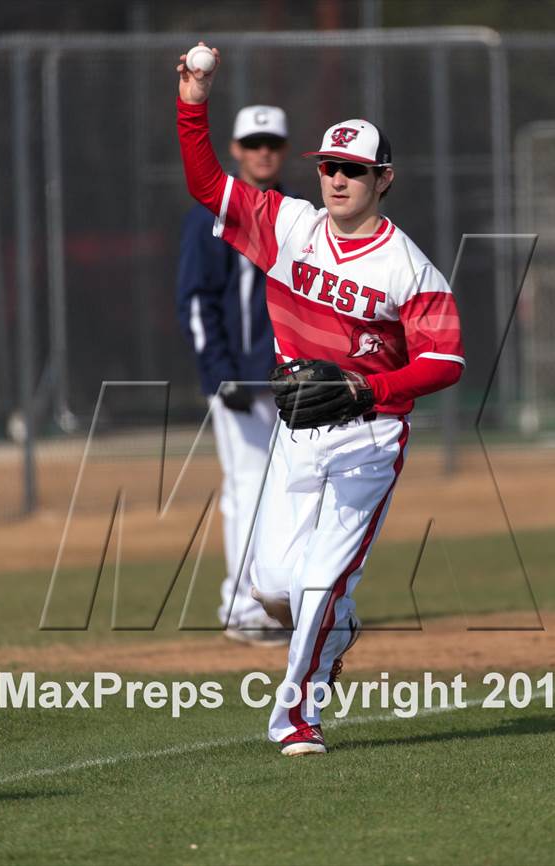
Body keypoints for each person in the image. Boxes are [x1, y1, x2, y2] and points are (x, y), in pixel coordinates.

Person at [176, 44, 465, 756]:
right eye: (329, 167)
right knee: (273, 582)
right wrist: (192, 99)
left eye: (353, 170)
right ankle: (337, 627)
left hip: (370, 438)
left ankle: (297, 720)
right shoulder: (289, 225)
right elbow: (207, 183)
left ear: (383, 179)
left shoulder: (407, 266)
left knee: (317, 586)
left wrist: (372, 387)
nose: (336, 179)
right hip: (298, 433)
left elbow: (446, 359)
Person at [176, 104, 293, 644]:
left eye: (272, 142)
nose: (263, 151)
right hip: (239, 381)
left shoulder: (295, 213)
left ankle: (276, 599)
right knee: (248, 487)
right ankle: (242, 604)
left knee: (290, 491)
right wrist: (221, 373)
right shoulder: (211, 215)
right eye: (254, 142)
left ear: (283, 150)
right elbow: (197, 302)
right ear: (236, 149)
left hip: (291, 380)